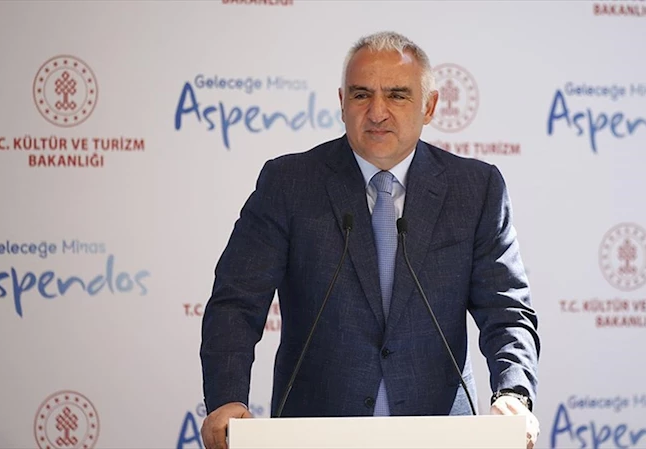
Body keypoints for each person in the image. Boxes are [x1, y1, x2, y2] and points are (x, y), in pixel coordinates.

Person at [199, 31, 541, 449]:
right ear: (342, 102)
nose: (377, 112)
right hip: (315, 433)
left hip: (439, 432)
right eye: (362, 95)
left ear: (429, 106)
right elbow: (236, 302)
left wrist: (513, 392)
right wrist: (227, 398)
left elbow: (506, 311)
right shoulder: (289, 184)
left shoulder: (476, 189)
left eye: (397, 95)